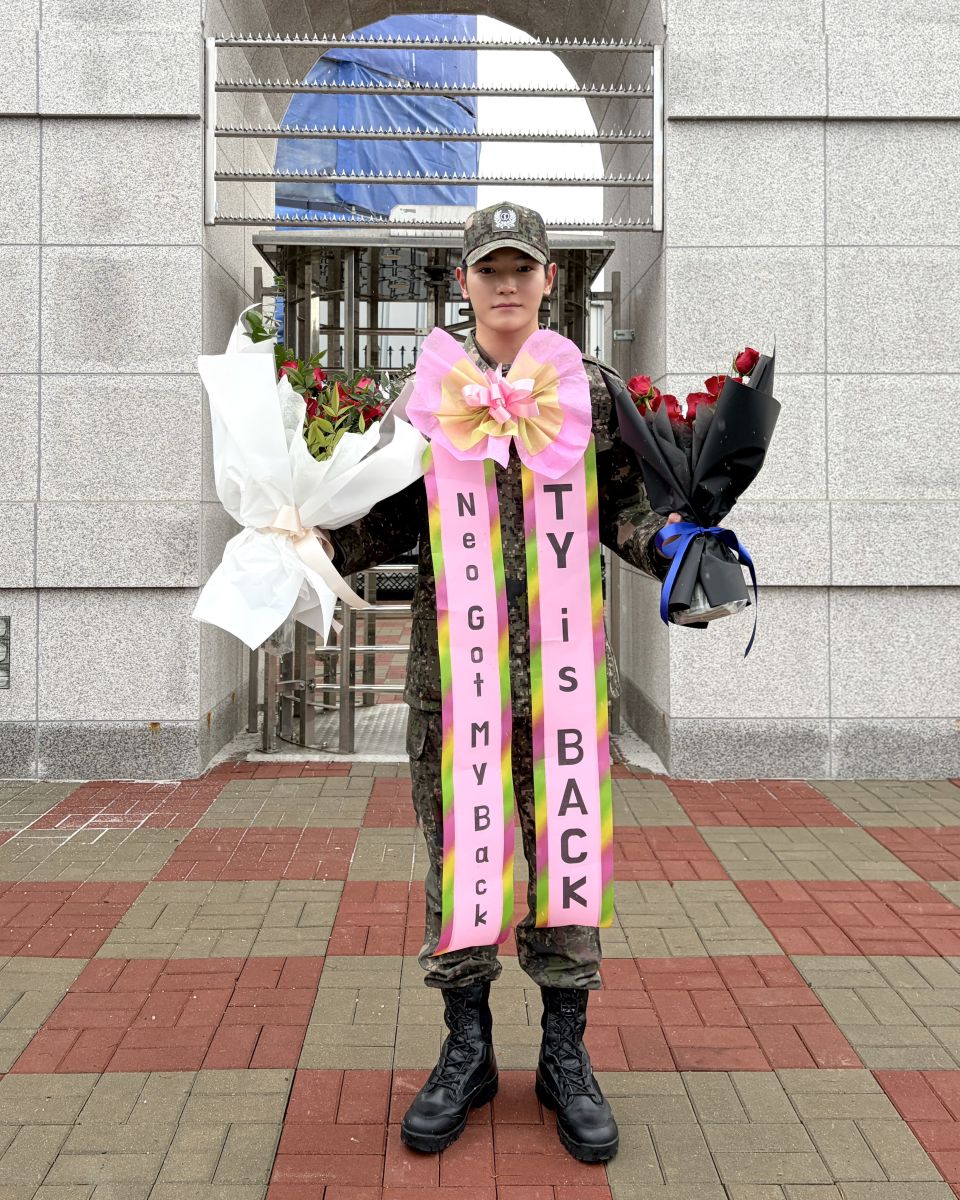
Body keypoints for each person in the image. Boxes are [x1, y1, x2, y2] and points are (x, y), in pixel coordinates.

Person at [320, 201, 680, 1163]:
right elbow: (386, 516)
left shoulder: (592, 394)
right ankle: (466, 1051)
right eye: (490, 269)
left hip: (563, 686)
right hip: (453, 687)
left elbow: (631, 512)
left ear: (550, 280)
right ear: (464, 282)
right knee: (462, 862)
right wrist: (306, 542)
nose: (507, 283)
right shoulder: (425, 396)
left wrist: (684, 559)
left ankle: (566, 1056)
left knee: (566, 855)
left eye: (523, 267)